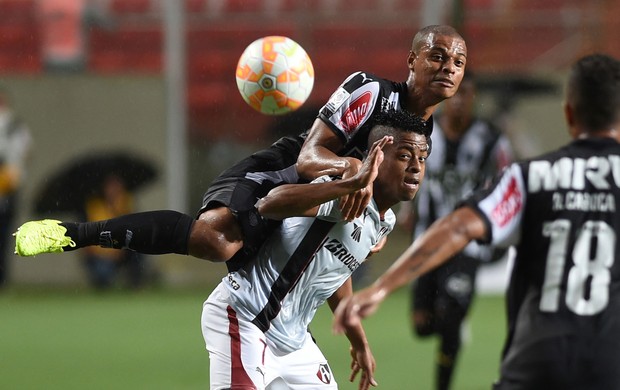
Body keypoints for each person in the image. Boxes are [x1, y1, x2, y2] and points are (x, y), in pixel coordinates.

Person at [13, 25, 466, 272]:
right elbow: (309, 159)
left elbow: (397, 192)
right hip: (285, 171)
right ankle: (74, 234)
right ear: (412, 61)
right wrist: (351, 167)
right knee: (215, 238)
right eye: (437, 56)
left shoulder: (429, 137)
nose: (448, 68)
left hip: (330, 203)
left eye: (458, 62)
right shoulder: (368, 91)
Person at [333, 53, 620, 390]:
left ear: (569, 112)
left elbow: (459, 226)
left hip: (534, 366)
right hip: (610, 365)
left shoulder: (529, 177)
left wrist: (381, 288)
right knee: (425, 322)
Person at [203, 109, 430, 389]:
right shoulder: (343, 192)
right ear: (376, 158)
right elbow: (271, 203)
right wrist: (349, 184)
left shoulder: (386, 221)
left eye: (422, 158)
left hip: (294, 341)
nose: (416, 167)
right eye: (405, 156)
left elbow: (334, 270)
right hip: (246, 317)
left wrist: (358, 340)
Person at [397, 71, 513, 390]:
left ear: (472, 98)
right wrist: (408, 210)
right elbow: (410, 175)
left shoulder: (491, 139)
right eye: (456, 95)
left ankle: (443, 381)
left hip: (468, 244)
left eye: (466, 95)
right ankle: (454, 321)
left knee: (450, 317)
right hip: (426, 238)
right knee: (421, 326)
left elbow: (508, 182)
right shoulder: (424, 132)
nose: (459, 101)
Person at [81, 174, 146, 290]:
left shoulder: (125, 203)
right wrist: (109, 253)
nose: (113, 191)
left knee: (139, 250)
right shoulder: (95, 207)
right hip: (102, 253)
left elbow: (132, 229)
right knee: (103, 271)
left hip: (122, 251)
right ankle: (102, 286)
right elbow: (91, 237)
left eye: (117, 187)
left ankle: (136, 284)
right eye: (110, 187)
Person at [0, 88, 32, 288]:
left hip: (8, 188)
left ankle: (2, 278)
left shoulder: (14, 126)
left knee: (5, 235)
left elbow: (27, 150)